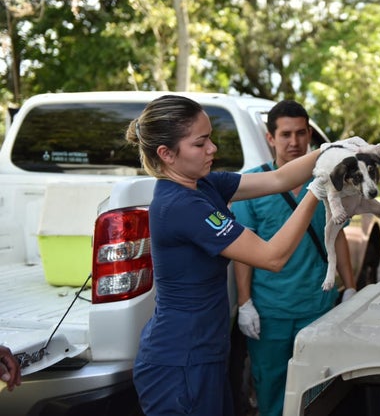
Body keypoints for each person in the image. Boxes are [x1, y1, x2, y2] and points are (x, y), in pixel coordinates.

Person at [125, 95, 338, 416]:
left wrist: (330, 152)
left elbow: (279, 178)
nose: (212, 148)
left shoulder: (204, 185)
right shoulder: (181, 205)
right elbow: (272, 257)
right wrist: (317, 189)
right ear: (166, 154)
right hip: (180, 360)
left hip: (203, 353)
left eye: (210, 138)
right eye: (200, 143)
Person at [232, 100, 357, 416]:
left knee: (318, 391)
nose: (294, 142)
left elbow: (337, 235)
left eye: (301, 133)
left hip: (318, 307)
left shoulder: (331, 181)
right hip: (270, 311)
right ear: (270, 138)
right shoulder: (253, 184)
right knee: (271, 390)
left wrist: (351, 288)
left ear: (309, 135)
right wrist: (245, 304)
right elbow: (243, 252)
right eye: (285, 134)